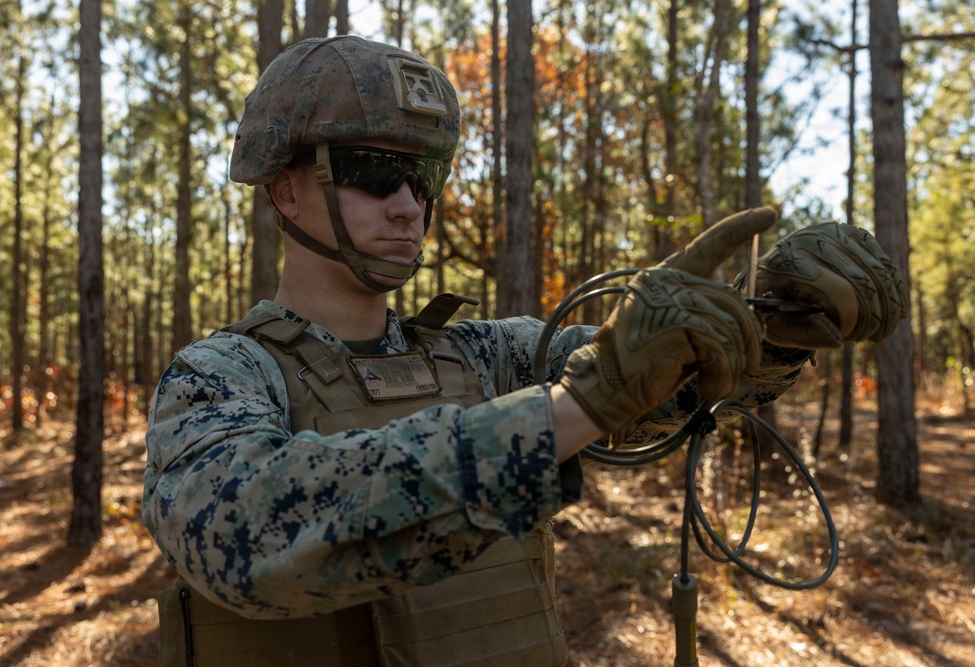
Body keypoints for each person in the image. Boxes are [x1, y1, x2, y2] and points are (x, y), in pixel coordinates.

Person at [143, 35, 909, 667]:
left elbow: (646, 381)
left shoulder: (485, 356)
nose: (409, 205)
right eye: (376, 172)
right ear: (284, 189)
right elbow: (248, 536)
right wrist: (580, 405)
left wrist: (769, 323)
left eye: (423, 176)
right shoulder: (219, 377)